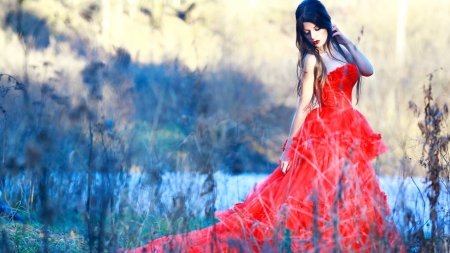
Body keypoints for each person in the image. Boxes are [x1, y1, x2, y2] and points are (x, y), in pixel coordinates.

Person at [125, 0, 405, 252]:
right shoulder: (312, 59)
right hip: (323, 133)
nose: (313, 36)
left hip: (350, 131)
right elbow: (303, 107)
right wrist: (289, 150)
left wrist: (344, 39)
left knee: (354, 196)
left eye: (317, 29)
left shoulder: (342, 49)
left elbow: (367, 69)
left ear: (326, 23)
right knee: (318, 197)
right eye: (306, 32)